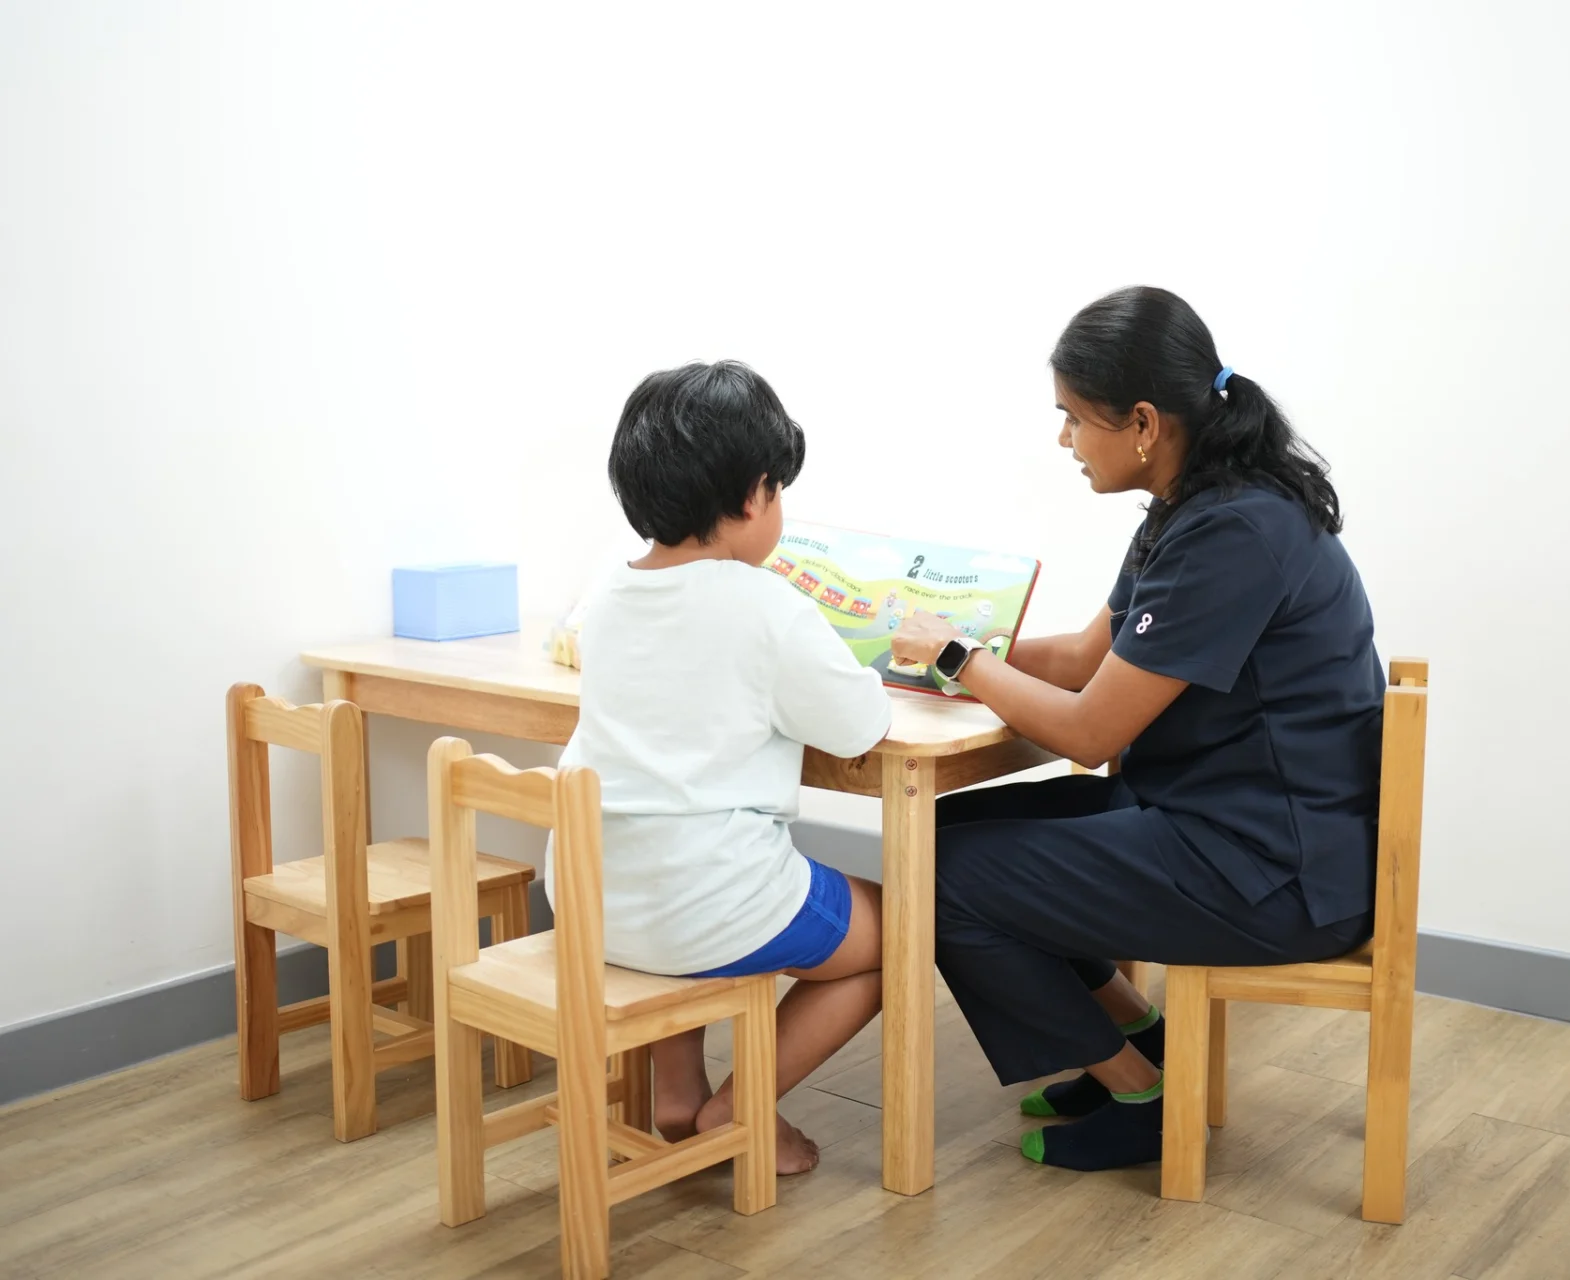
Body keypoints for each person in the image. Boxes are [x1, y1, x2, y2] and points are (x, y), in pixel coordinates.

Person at [890, 287, 1385, 1172]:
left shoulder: (1233, 531)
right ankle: (1143, 1043)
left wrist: (963, 660)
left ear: (1145, 422)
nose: (1064, 442)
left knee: (941, 878)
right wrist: (941, 649)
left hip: (1272, 874)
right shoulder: (1191, 504)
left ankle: (1140, 1095)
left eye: (1074, 420)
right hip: (1222, 826)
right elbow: (1087, 656)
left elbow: (1086, 731)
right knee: (936, 839)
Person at [559, 360, 891, 1174]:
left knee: (676, 879)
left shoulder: (606, 599)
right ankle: (737, 1112)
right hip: (711, 902)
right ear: (754, 496)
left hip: (594, 895)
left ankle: (676, 1097)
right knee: (898, 930)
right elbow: (858, 725)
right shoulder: (768, 605)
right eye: (779, 491)